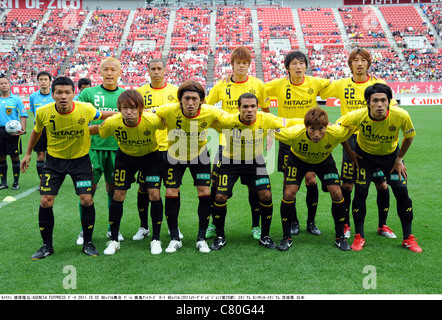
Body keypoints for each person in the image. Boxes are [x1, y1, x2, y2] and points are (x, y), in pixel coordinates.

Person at [20, 76, 116, 260]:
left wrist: (127, 113)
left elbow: (102, 115)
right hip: (54, 161)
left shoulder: (84, 109)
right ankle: (47, 246)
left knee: (87, 199)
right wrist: (28, 153)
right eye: (59, 93)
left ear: (74, 94)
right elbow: (36, 130)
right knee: (46, 201)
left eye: (67, 92)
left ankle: (87, 243)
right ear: (53, 94)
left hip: (80, 161)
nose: (63, 96)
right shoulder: (43, 112)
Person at [320, 48, 399, 239]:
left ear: (368, 63)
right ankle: (346, 225)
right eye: (355, 60)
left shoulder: (378, 84)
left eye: (363, 60)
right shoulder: (342, 84)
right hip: (352, 140)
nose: (360, 63)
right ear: (350, 64)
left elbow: (392, 106)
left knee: (381, 184)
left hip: (375, 138)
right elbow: (318, 90)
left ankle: (383, 225)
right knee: (347, 185)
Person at [209, 93, 302, 250]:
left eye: (253, 106)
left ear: (258, 107)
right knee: (219, 196)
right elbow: (206, 118)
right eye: (245, 107)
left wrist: (310, 122)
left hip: (255, 162)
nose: (249, 110)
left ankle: (265, 236)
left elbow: (290, 122)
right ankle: (220, 236)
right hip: (230, 162)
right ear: (238, 108)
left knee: (266, 195)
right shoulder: (228, 121)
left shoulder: (266, 119)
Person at [336, 83, 422, 252]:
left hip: (391, 158)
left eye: (384, 100)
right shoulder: (358, 116)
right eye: (375, 100)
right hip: (365, 158)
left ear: (389, 101)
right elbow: (337, 131)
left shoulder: (401, 115)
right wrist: (350, 152)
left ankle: (408, 238)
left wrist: (399, 159)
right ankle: (359, 236)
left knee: (402, 193)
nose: (380, 104)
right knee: (360, 193)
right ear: (368, 102)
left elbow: (409, 136)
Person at [205, 46, 271, 241]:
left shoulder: (258, 84)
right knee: (216, 187)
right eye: (237, 63)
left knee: (256, 189)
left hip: (253, 146)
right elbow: (207, 108)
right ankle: (214, 225)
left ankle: (256, 226)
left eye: (244, 63)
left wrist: (269, 136)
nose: (241, 66)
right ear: (232, 65)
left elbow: (266, 112)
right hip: (225, 146)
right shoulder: (221, 86)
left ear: (249, 65)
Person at [152, 80, 225, 254]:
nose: (190, 102)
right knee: (170, 192)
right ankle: (175, 238)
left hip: (199, 156)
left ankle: (201, 238)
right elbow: (147, 115)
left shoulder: (211, 111)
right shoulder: (168, 109)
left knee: (205, 192)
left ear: (201, 100)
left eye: (194, 98)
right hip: (174, 156)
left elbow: (231, 120)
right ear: (180, 100)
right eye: (186, 99)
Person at [265, 50, 331, 236]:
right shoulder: (278, 84)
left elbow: (337, 87)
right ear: (287, 67)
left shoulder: (315, 82)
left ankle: (311, 222)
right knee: (289, 184)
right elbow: (260, 93)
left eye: (302, 63)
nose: (299, 67)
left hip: (310, 137)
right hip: (288, 139)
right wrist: (269, 124)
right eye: (294, 63)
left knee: (311, 180)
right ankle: (293, 221)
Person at [92, 90, 165, 255]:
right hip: (125, 159)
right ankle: (114, 240)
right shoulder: (112, 122)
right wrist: (78, 130)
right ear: (119, 108)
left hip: (151, 158)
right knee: (118, 195)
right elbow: (99, 130)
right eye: (125, 108)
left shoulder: (152, 120)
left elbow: (165, 122)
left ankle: (156, 239)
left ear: (140, 109)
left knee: (154, 195)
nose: (129, 112)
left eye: (133, 108)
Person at [274, 107, 354, 251]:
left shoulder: (335, 132)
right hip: (297, 161)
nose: (317, 134)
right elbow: (269, 129)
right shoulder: (293, 133)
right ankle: (286, 237)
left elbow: (354, 124)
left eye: (321, 129)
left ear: (327, 126)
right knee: (288, 193)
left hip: (324, 162)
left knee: (337, 193)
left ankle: (339, 237)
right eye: (312, 129)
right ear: (305, 127)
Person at [75, 57, 126, 245]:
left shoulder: (125, 95)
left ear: (120, 72)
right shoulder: (88, 93)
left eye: (114, 69)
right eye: (106, 69)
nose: (110, 73)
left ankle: (113, 230)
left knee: (114, 191)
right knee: (89, 191)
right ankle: (84, 231)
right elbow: (77, 113)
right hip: (92, 148)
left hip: (117, 149)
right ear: (101, 71)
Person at [134, 58, 179, 241]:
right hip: (148, 148)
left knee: (172, 188)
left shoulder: (175, 91)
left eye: (159, 68)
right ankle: (144, 226)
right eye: (153, 68)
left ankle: (172, 227)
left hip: (170, 148)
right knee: (144, 188)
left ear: (165, 70)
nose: (156, 72)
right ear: (148, 71)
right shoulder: (139, 92)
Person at [0, 74, 27, 190]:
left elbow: (23, 115)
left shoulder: (16, 99)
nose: (3, 85)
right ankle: (3, 183)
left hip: (13, 132)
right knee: (1, 157)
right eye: (1, 83)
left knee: (14, 157)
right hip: (0, 131)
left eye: (5, 83)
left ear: (9, 85)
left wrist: (23, 129)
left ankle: (16, 182)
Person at [29, 71, 54, 179]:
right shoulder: (33, 96)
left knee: (53, 155)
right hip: (39, 129)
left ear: (50, 81)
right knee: (40, 156)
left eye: (45, 79)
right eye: (41, 79)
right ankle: (42, 180)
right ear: (38, 81)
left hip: (53, 129)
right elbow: (35, 113)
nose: (43, 82)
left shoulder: (55, 94)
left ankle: (53, 178)